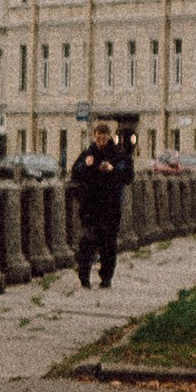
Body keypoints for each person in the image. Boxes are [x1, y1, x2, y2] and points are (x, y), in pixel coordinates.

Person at [70, 123, 129, 289]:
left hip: (111, 206)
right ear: (94, 135)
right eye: (98, 135)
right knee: (87, 241)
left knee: (108, 244)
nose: (101, 138)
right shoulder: (88, 153)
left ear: (109, 136)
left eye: (104, 135)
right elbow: (75, 172)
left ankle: (106, 277)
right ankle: (84, 276)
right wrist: (86, 165)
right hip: (90, 206)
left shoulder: (117, 154)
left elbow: (128, 175)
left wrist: (113, 169)